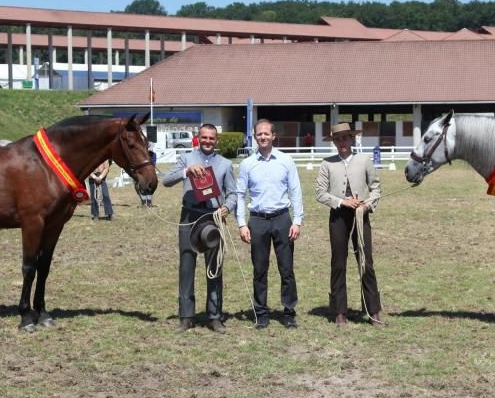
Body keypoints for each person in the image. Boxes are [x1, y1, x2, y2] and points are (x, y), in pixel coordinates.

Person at [162, 123, 237, 333]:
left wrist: (227, 208)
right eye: (204, 137)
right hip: (189, 216)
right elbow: (166, 180)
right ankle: (186, 316)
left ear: (217, 140)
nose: (207, 141)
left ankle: (214, 316)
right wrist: (185, 171)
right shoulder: (186, 158)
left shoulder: (225, 164)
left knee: (214, 269)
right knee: (186, 267)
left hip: (212, 218)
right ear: (198, 137)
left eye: (211, 138)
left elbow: (233, 193)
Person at [236, 118, 303, 330]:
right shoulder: (247, 164)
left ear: (274, 136)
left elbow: (296, 191)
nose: (263, 137)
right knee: (259, 270)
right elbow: (240, 195)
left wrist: (298, 220)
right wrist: (241, 224)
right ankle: (261, 313)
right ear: (254, 137)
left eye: (266, 133)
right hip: (257, 220)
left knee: (287, 269)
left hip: (282, 219)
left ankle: (289, 312)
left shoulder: (286, 160)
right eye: (259, 134)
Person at [315, 122, 383, 326]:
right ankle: (339, 311)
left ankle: (373, 310)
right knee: (338, 262)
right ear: (334, 142)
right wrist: (341, 201)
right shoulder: (327, 163)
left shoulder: (364, 160)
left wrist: (367, 205)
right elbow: (319, 192)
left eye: (345, 138)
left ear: (352, 139)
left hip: (361, 216)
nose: (342, 142)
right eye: (338, 139)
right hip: (338, 217)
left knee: (365, 261)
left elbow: (376, 188)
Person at [140, 144, 157, 208]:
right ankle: (144, 203)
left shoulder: (154, 154)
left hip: (150, 173)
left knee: (150, 188)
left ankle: (149, 203)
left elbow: (153, 164)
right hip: (143, 173)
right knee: (142, 188)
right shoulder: (142, 154)